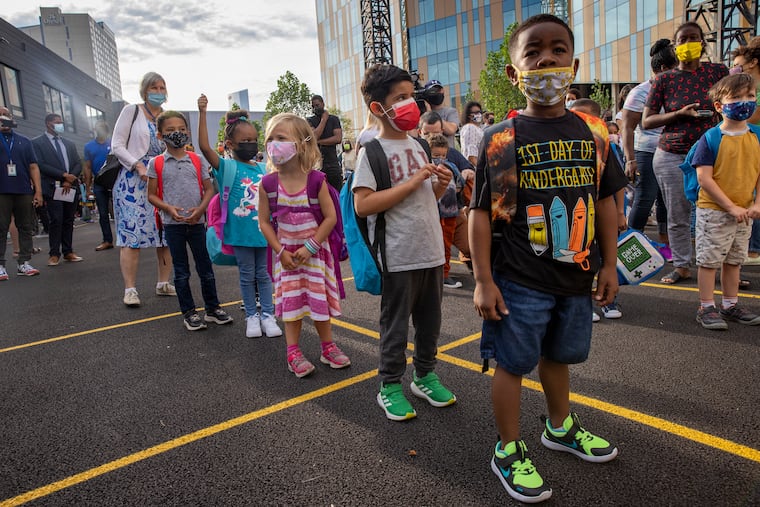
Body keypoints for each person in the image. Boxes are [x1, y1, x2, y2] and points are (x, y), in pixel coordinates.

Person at [469, 14, 626, 503]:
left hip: (576, 275)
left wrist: (607, 263)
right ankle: (508, 450)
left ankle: (559, 427)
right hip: (518, 278)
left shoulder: (595, 132)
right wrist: (482, 279)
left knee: (560, 356)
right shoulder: (499, 138)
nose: (546, 59)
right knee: (513, 364)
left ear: (574, 64)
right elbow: (479, 215)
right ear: (515, 74)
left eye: (557, 50)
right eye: (532, 52)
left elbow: (605, 201)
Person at [354, 63, 457, 421]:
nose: (410, 103)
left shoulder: (418, 145)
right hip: (397, 256)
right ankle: (390, 386)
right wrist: (412, 184)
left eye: (410, 96)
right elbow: (363, 204)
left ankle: (425, 375)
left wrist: (438, 185)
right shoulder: (373, 151)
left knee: (430, 323)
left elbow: (427, 196)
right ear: (378, 108)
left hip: (429, 251)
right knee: (395, 327)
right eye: (400, 98)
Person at [258, 113, 350, 378]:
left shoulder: (316, 180)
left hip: (315, 255)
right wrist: (280, 251)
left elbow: (331, 217)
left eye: (281, 138)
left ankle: (327, 346)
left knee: (319, 303)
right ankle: (293, 352)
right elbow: (264, 222)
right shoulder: (267, 184)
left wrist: (310, 246)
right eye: (271, 139)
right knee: (292, 305)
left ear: (301, 143)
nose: (274, 144)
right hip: (286, 258)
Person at [642, 22, 728, 285]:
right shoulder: (664, 79)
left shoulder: (718, 72)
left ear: (703, 43)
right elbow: (647, 121)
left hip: (714, 154)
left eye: (694, 38)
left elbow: (731, 102)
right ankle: (681, 266)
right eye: (682, 39)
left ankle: (716, 267)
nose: (688, 43)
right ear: (675, 46)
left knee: (715, 213)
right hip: (673, 155)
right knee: (677, 215)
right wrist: (679, 114)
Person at [197, 94, 282, 339]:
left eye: (254, 140)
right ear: (230, 144)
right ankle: (252, 318)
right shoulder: (226, 167)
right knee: (247, 275)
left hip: (263, 231)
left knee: (264, 275)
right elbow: (204, 146)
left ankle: (268, 314)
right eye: (245, 140)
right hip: (240, 232)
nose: (252, 144)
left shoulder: (262, 168)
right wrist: (202, 113)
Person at [147, 110, 232, 331]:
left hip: (197, 224)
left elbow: (209, 189)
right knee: (182, 271)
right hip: (172, 225)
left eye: (182, 130)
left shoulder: (197, 159)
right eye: (170, 131)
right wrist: (168, 208)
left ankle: (213, 309)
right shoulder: (156, 163)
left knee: (205, 268)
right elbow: (151, 195)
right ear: (160, 136)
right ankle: (189, 312)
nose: (177, 134)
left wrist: (201, 210)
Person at [690, 74, 760, 329]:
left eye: (750, 96)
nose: (745, 102)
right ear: (719, 106)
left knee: (734, 260)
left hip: (744, 212)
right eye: (737, 97)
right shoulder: (710, 138)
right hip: (715, 211)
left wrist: (757, 203)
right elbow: (704, 178)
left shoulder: (756, 135)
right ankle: (706, 306)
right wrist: (730, 206)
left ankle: (730, 304)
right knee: (709, 261)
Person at [111, 72, 175, 307]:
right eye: (154, 87)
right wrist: (137, 164)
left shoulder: (168, 117)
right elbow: (116, 144)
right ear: (145, 90)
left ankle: (164, 283)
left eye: (162, 87)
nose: (159, 92)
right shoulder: (132, 111)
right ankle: (130, 289)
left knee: (165, 234)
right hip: (133, 181)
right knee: (132, 235)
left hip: (162, 179)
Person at [570, 99, 628, 321]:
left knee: (605, 258)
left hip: (600, 215)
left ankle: (608, 301)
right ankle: (586, 302)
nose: (580, 122)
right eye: (574, 117)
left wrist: (621, 212)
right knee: (581, 259)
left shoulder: (603, 144)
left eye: (585, 117)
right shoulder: (569, 143)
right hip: (577, 217)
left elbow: (615, 185)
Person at [622, 40, 677, 253]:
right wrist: (630, 159)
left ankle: (665, 246)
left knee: (667, 202)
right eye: (675, 68)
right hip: (646, 152)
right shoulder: (640, 92)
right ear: (663, 69)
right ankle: (628, 246)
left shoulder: (676, 89)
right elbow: (627, 128)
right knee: (645, 197)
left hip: (671, 152)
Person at [420, 111, 474, 276]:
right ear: (419, 132)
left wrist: (464, 173)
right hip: (429, 216)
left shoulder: (451, 153)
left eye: (435, 132)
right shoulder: (417, 155)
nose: (431, 136)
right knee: (438, 249)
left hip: (453, 212)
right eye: (427, 133)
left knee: (471, 248)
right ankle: (440, 275)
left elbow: (468, 168)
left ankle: (466, 257)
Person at [31, 113, 83, 266]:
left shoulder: (69, 143)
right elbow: (40, 164)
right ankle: (54, 253)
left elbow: (77, 163)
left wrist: (70, 177)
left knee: (68, 219)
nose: (61, 125)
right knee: (56, 220)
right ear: (48, 124)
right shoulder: (38, 143)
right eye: (57, 122)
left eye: (62, 122)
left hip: (70, 187)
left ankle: (68, 251)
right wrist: (62, 176)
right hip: (53, 187)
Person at [0, 106, 43, 279]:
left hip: (23, 190)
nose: (3, 119)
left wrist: (38, 191)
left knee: (25, 226)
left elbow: (33, 166)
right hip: (2, 191)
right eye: (0, 116)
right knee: (0, 228)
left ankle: (24, 263)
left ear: (12, 118)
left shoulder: (24, 141)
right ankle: (0, 265)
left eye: (6, 115)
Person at [731, 38, 760, 267]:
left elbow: (747, 119)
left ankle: (752, 249)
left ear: (753, 63)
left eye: (739, 65)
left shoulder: (754, 91)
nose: (735, 69)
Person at [428, 133, 469, 288]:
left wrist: (459, 203)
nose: (440, 158)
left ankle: (443, 274)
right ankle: (441, 275)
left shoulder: (450, 166)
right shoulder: (429, 168)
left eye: (443, 155)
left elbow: (460, 183)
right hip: (435, 213)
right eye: (436, 155)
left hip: (451, 212)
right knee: (439, 244)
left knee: (446, 243)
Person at [83, 120, 114, 251]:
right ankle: (107, 240)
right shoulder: (89, 146)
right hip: (99, 182)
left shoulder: (114, 143)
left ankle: (128, 238)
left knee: (121, 210)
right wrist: (88, 188)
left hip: (114, 180)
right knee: (102, 213)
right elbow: (88, 167)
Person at [307, 95, 343, 191]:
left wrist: (318, 142)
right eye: (313, 106)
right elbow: (314, 136)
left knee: (337, 193)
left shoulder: (334, 119)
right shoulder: (310, 120)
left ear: (323, 104)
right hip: (317, 164)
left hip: (332, 163)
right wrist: (323, 120)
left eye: (317, 105)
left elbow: (338, 138)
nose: (315, 108)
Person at [421, 79, 460, 147]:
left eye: (438, 90)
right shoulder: (422, 113)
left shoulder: (451, 112)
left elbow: (451, 130)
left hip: (447, 153)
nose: (436, 93)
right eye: (433, 91)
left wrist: (430, 113)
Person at [459, 101, 485, 166]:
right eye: (476, 112)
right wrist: (480, 171)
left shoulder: (477, 128)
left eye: (480, 112)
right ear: (469, 115)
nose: (479, 114)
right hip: (475, 169)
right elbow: (471, 156)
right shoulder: (470, 128)